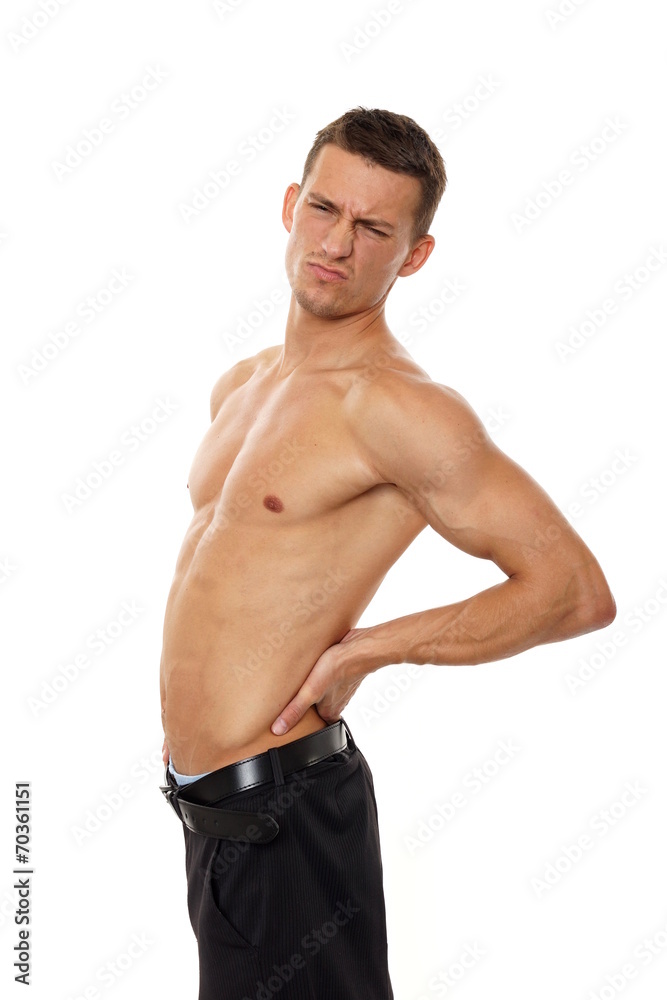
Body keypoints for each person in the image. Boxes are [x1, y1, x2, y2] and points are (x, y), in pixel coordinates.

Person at [158, 107, 615, 999]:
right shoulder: (243, 385)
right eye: (324, 209)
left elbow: (572, 590)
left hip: (282, 809)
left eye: (373, 228)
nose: (337, 242)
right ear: (290, 205)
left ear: (414, 255)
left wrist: (370, 647)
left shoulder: (398, 408)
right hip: (215, 811)